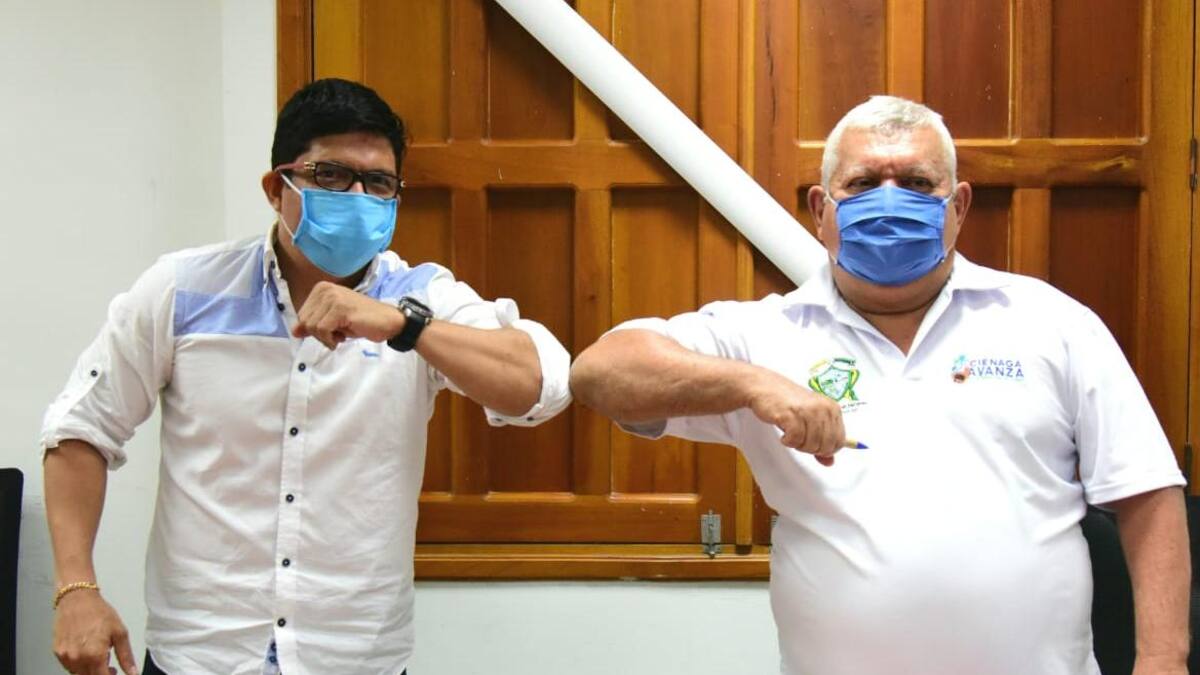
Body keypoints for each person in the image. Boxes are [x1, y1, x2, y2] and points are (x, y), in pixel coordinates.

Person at [569, 95, 1190, 674]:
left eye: (917, 183)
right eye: (863, 183)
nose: (890, 202)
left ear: (959, 207)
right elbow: (600, 373)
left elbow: (1147, 494)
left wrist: (1162, 663)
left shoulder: (1049, 322)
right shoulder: (765, 334)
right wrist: (753, 384)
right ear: (821, 210)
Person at [41, 78, 571, 675]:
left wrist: (405, 325)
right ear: (277, 188)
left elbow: (542, 384)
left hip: (354, 657)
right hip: (203, 653)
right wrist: (76, 588)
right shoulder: (184, 291)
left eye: (379, 183)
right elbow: (81, 428)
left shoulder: (419, 296)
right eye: (332, 175)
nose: (358, 195)